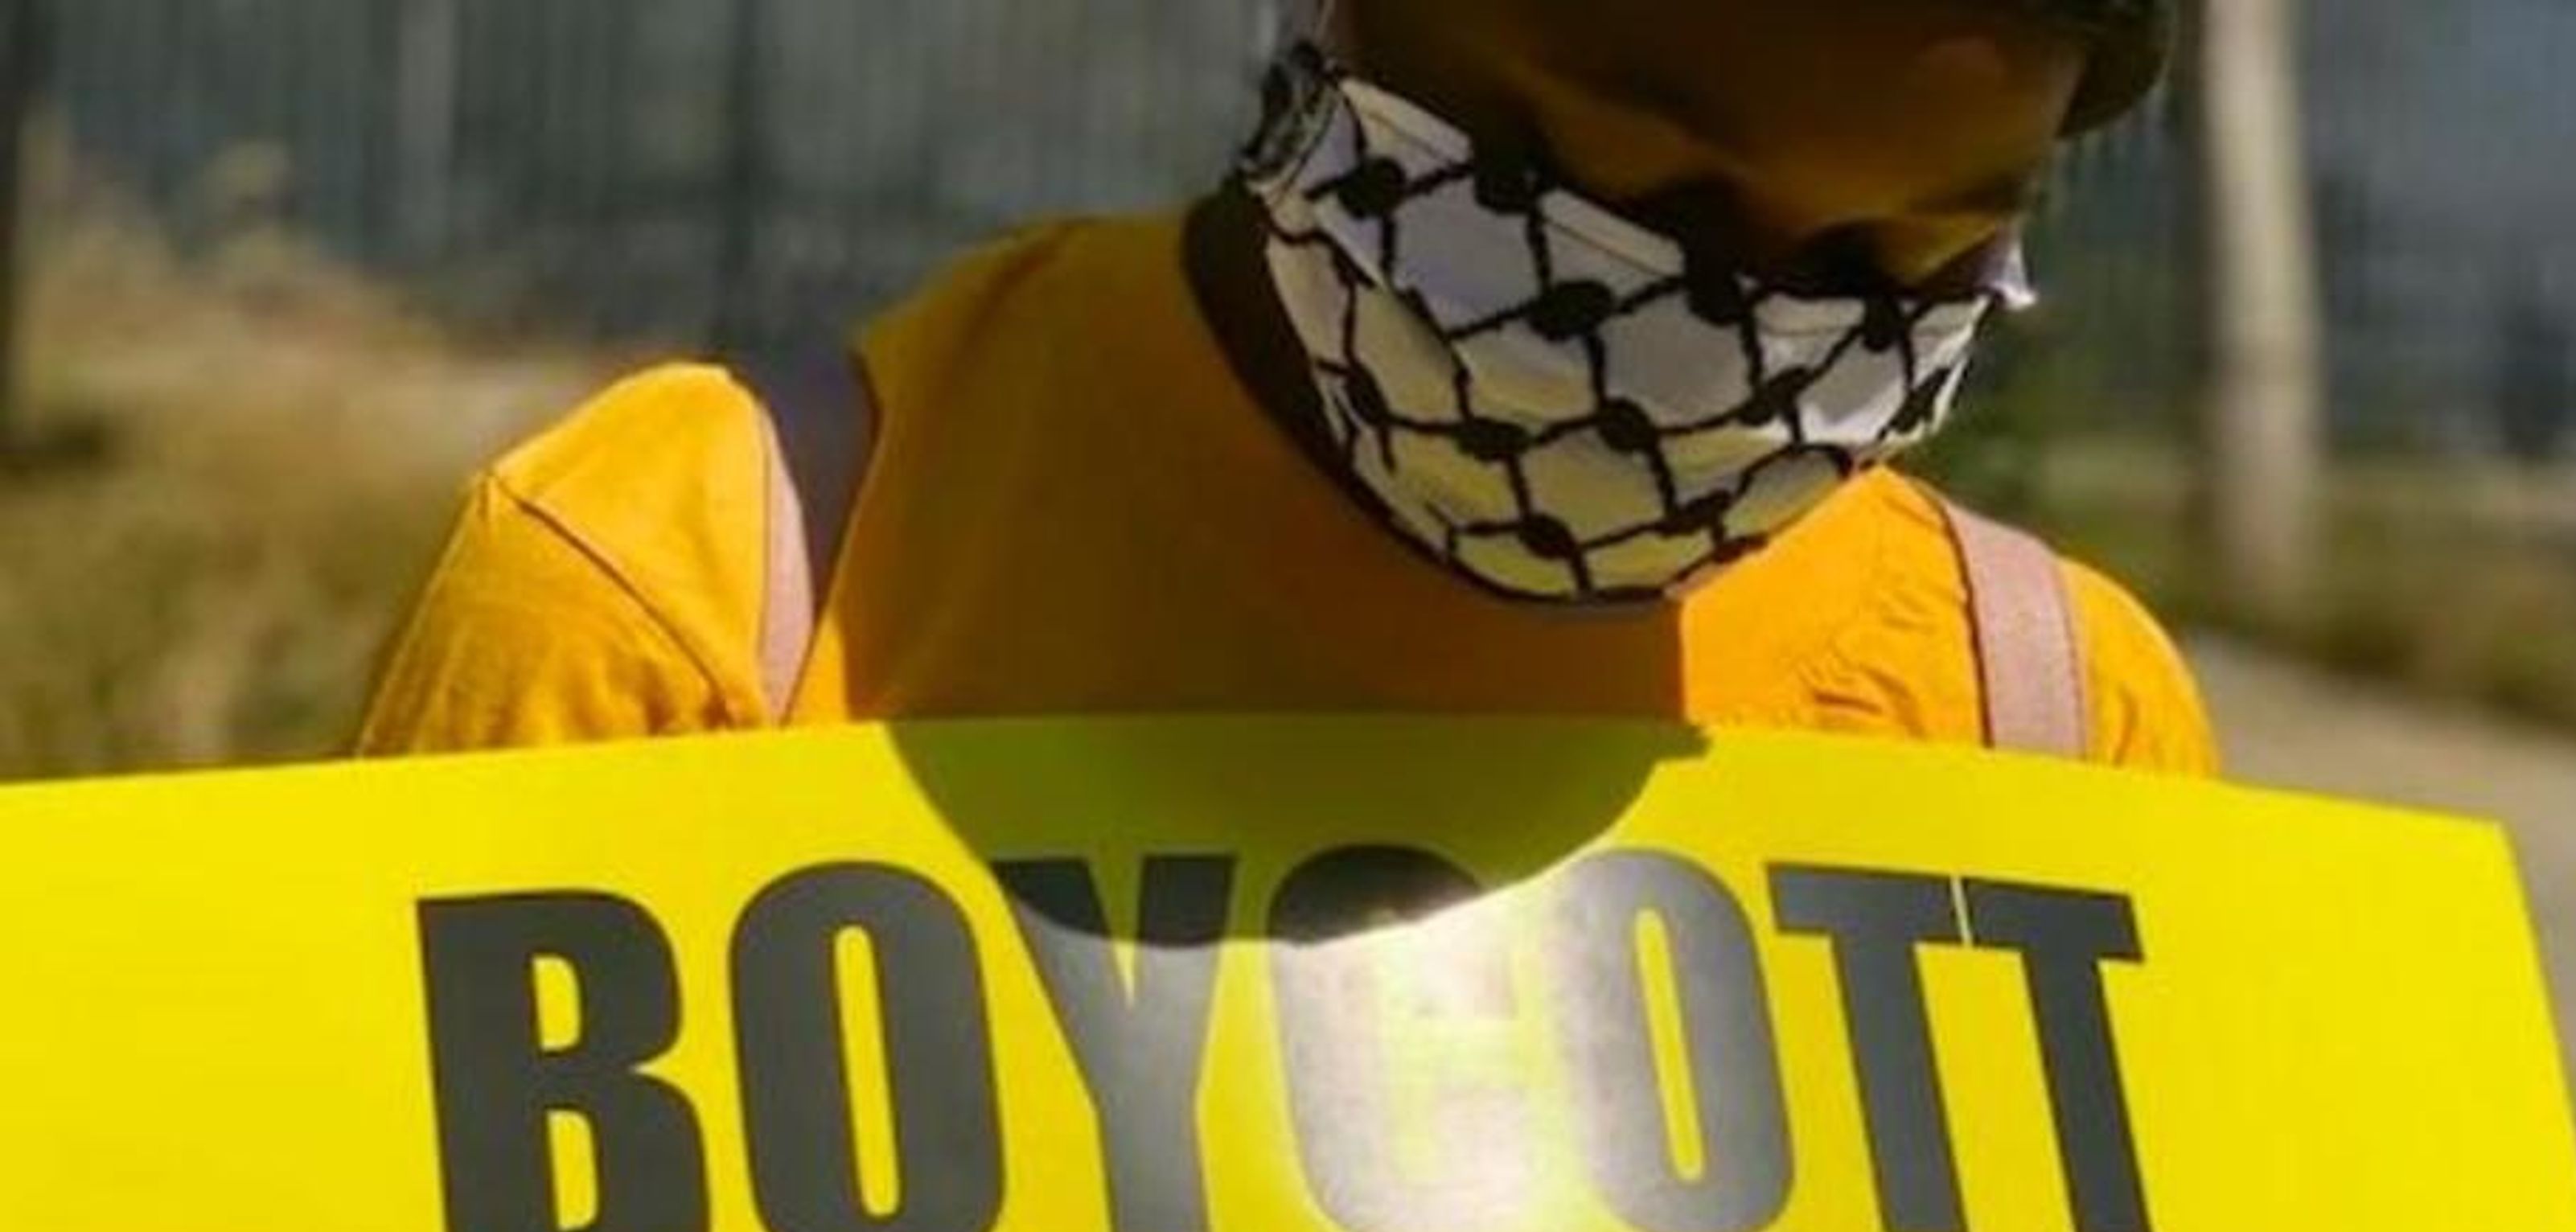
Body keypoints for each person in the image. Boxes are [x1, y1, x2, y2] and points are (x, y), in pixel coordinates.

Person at [359, 0, 2215, 773]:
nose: (1725, 343)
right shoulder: (685, 620)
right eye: (1622, 196)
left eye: (1889, 269)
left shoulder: (2041, 727)